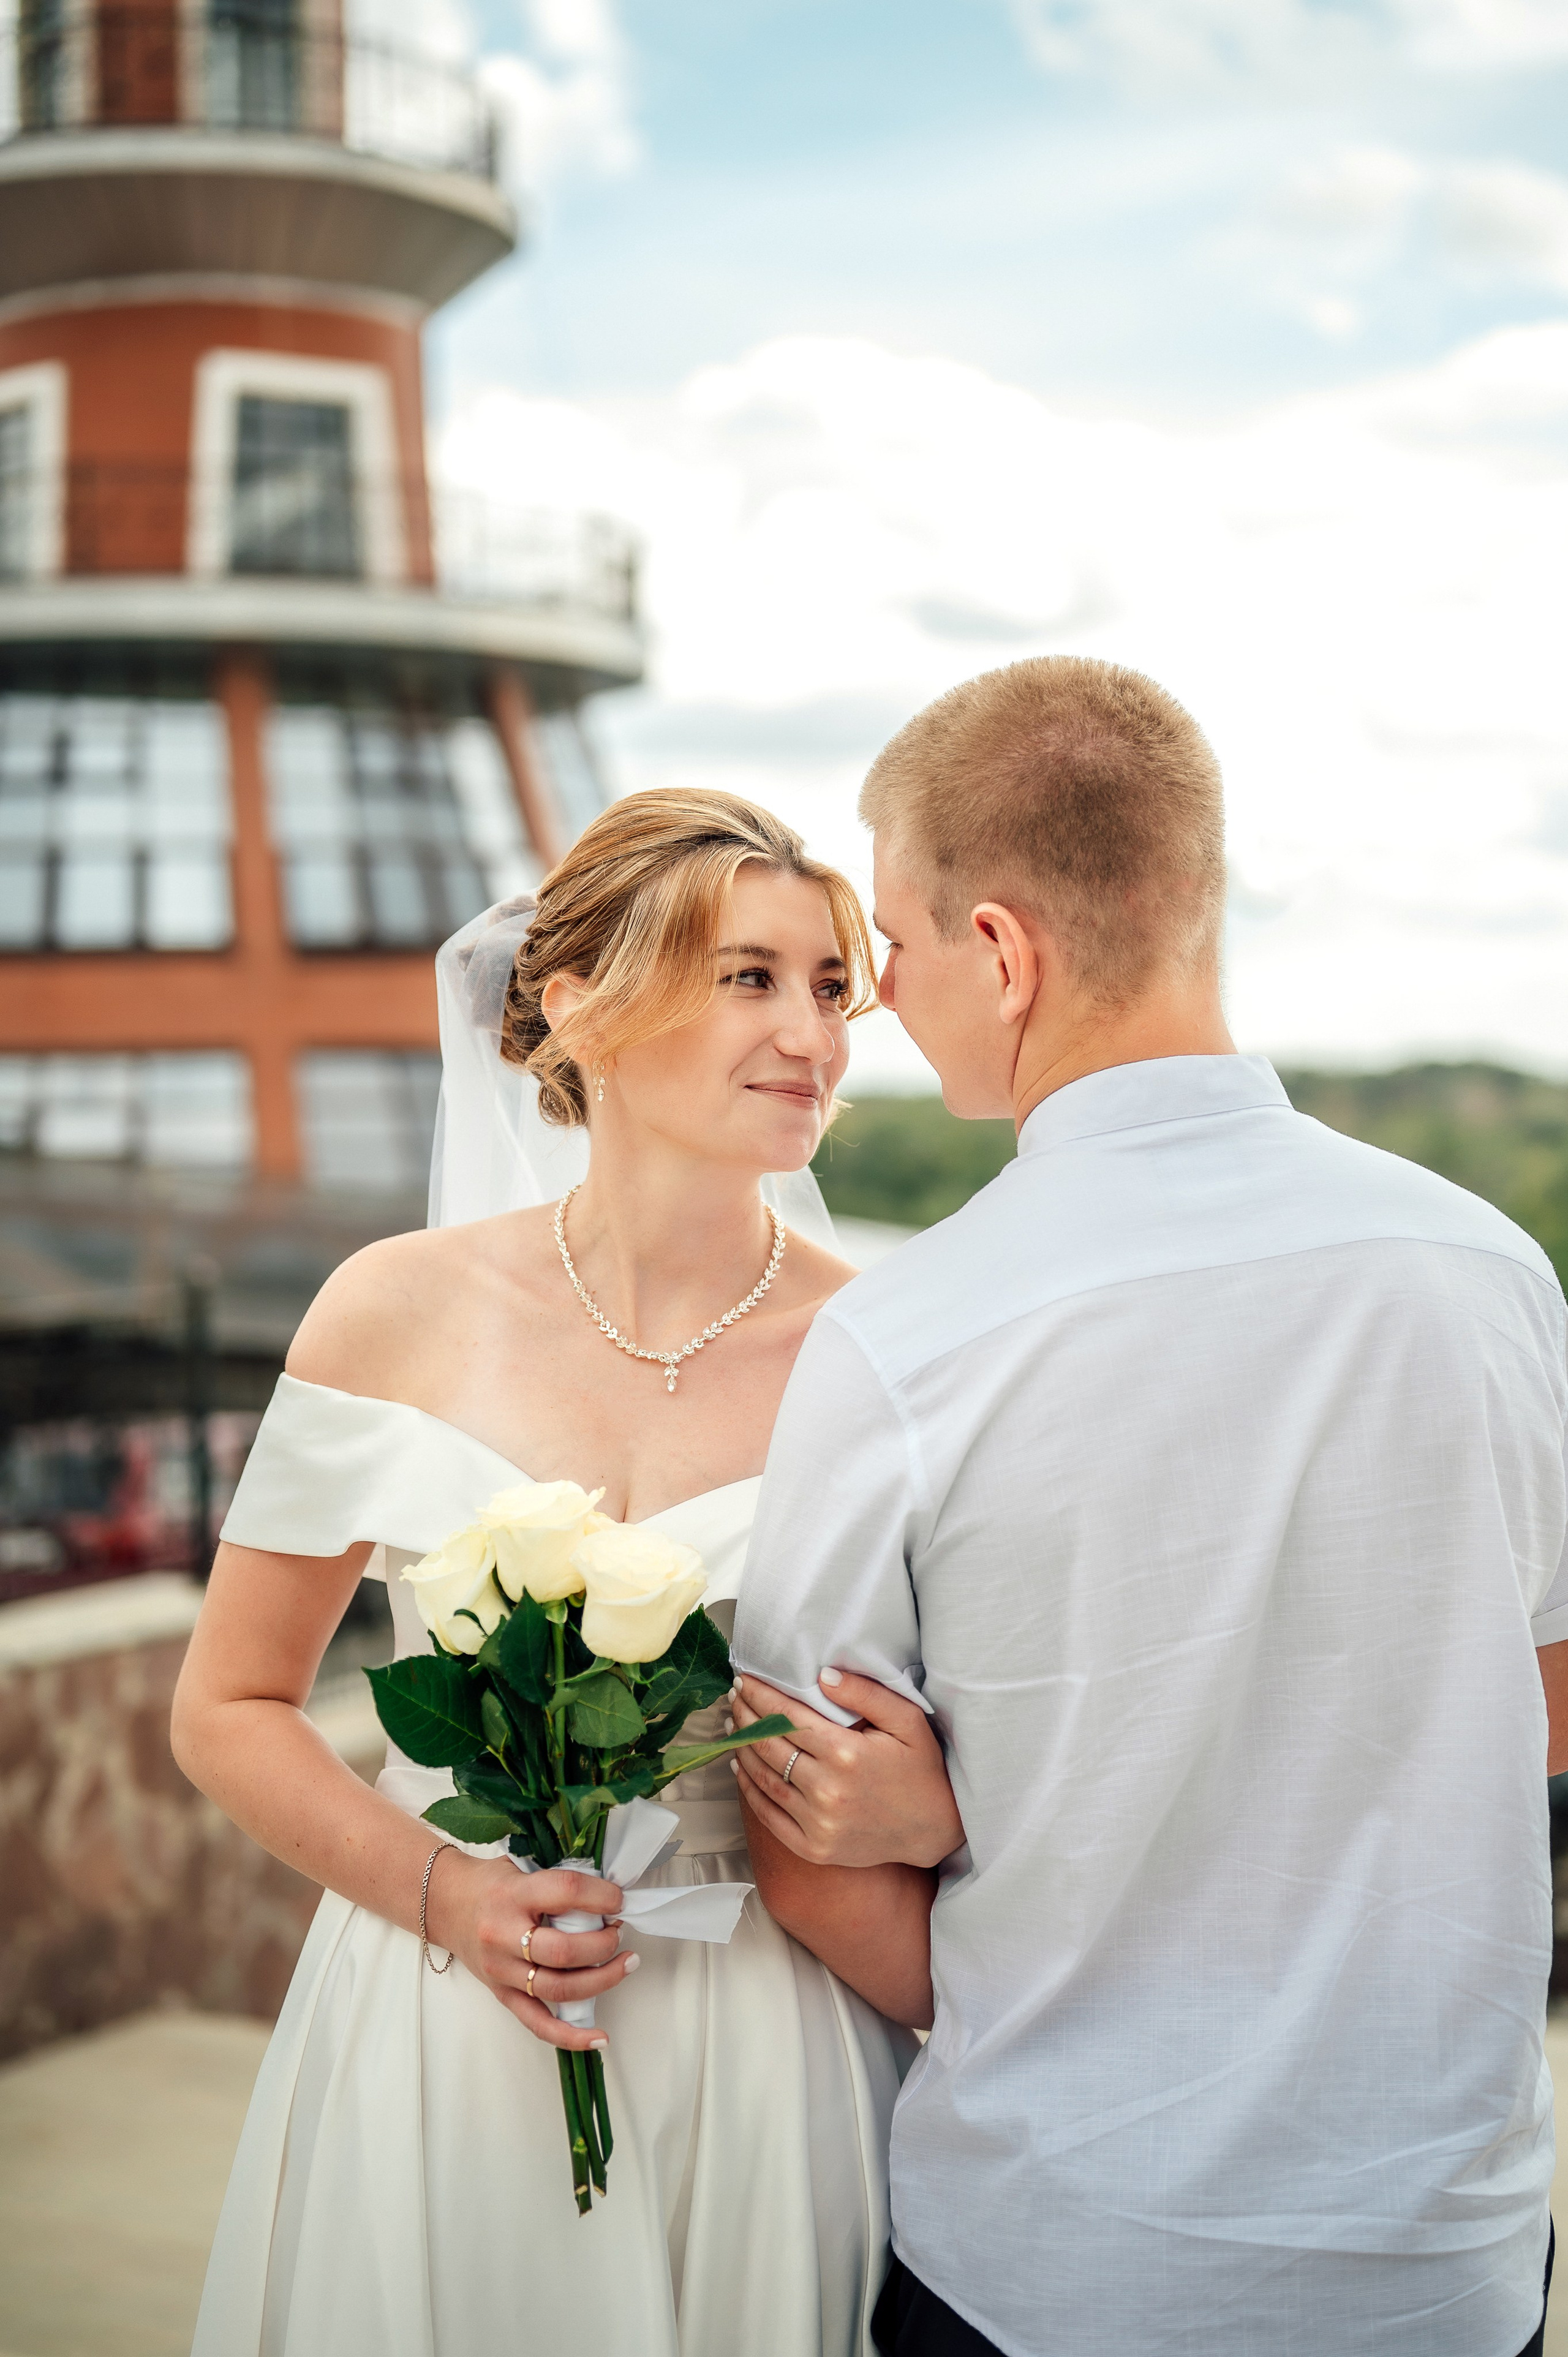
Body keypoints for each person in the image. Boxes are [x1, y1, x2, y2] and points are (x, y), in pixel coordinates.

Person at [729, 655, 1568, 2357]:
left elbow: (810, 1855)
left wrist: (1044, 1958)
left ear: (1002, 952)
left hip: (1058, 2259)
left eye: (890, 940)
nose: (878, 992)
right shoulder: (1492, 1273)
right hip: (1444, 2265)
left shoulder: (903, 1338)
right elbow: (1540, 1713)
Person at [172, 788, 959, 2357]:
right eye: (748, 977)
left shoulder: (888, 1348)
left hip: (765, 2032)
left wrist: (929, 1808)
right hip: (444, 2014)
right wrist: (448, 1891)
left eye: (829, 987)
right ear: (580, 1006)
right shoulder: (387, 1311)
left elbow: (988, 1720)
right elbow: (229, 1704)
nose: (810, 1034)